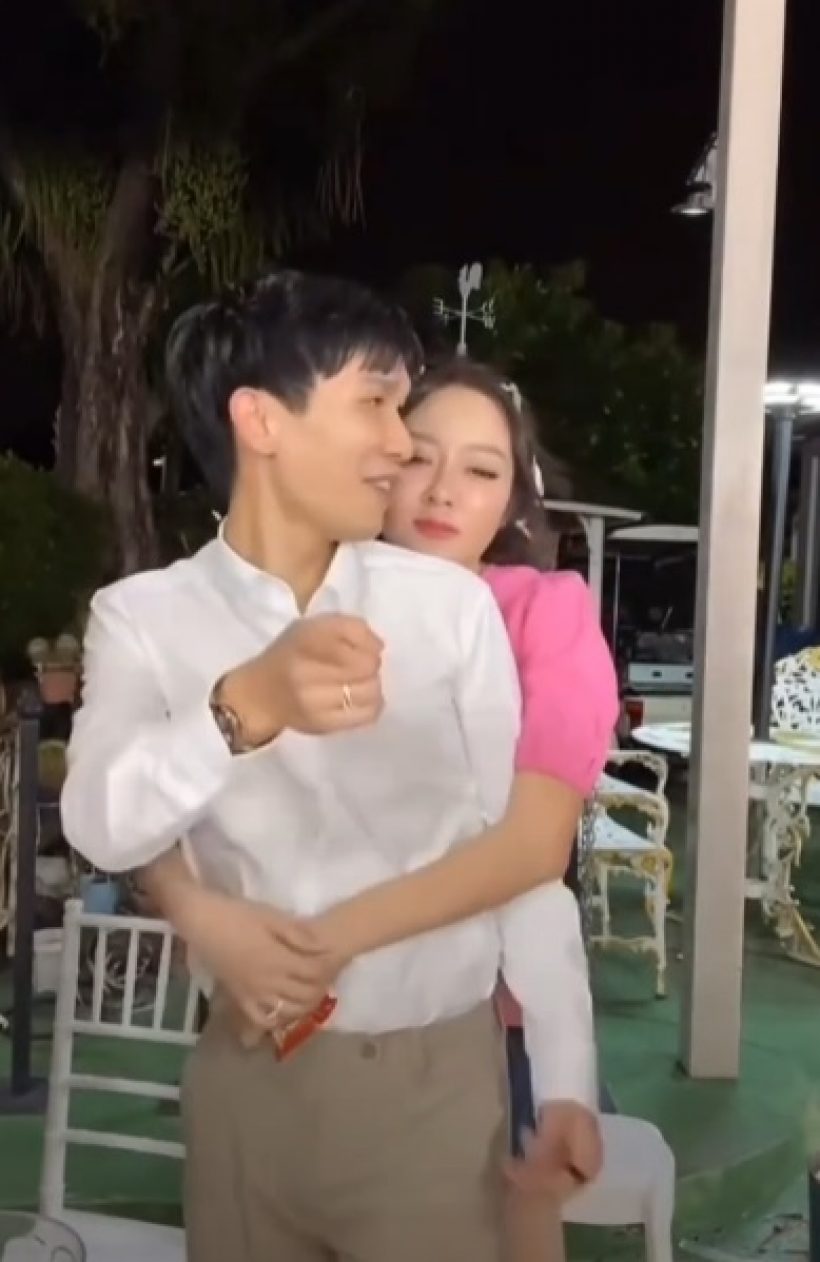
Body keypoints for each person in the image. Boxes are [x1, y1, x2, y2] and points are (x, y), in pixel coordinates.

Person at [62, 270, 599, 1262]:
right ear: (262, 420)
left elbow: (517, 860)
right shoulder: (142, 618)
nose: (400, 445)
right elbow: (99, 822)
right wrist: (242, 709)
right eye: (375, 404)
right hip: (244, 1080)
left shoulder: (447, 610)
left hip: (432, 1088)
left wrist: (566, 1077)